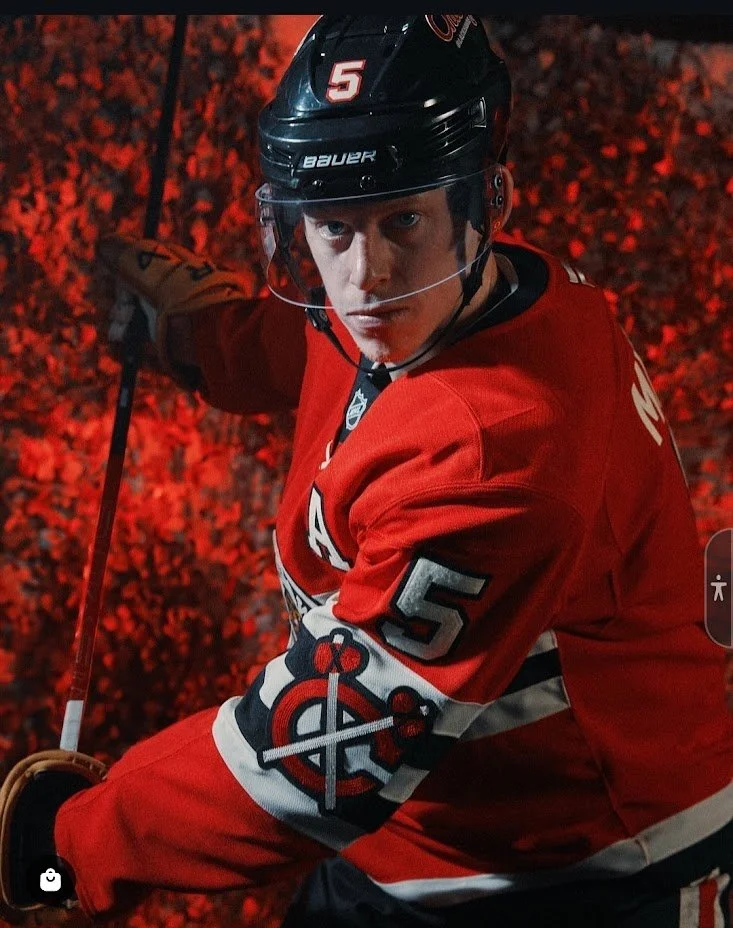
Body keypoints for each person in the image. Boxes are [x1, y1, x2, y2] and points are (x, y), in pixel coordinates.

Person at [1, 14, 731, 928]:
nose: (366, 275)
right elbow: (327, 339)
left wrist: (69, 845)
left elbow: (317, 761)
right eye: (330, 229)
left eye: (402, 221)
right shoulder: (463, 288)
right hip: (424, 834)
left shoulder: (496, 452)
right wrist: (198, 338)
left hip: (579, 869)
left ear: (478, 203)